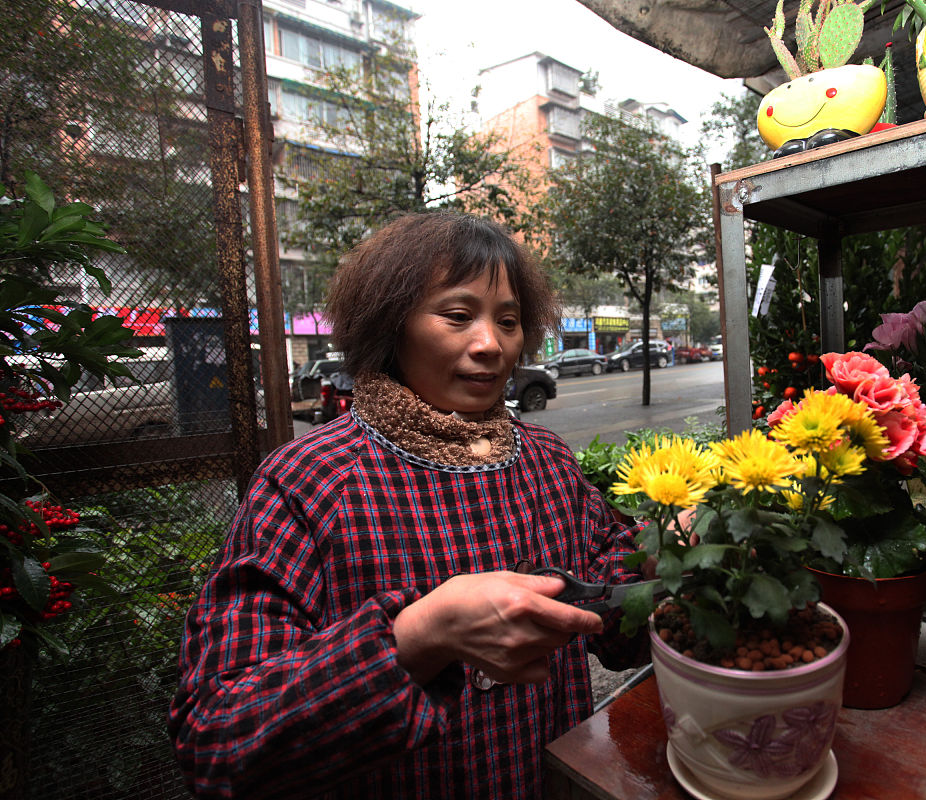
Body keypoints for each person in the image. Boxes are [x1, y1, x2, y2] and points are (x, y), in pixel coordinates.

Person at [169, 212, 650, 799]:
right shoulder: (310, 481)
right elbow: (219, 737)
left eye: (509, 321)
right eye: (457, 316)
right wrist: (416, 638)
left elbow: (617, 628)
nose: (490, 344)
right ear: (390, 324)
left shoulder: (546, 459)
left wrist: (661, 559)